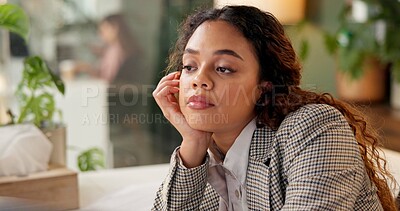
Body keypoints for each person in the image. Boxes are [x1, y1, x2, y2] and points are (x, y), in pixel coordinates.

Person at [152, 5, 397, 211]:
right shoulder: (203, 155)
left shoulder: (315, 129)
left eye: (223, 68)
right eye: (189, 66)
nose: (198, 79)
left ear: (264, 85)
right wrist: (193, 143)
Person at [75, 14, 138, 85]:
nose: (101, 34)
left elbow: (107, 81)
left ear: (115, 28)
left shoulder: (116, 51)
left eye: (104, 29)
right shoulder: (116, 48)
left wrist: (88, 69)